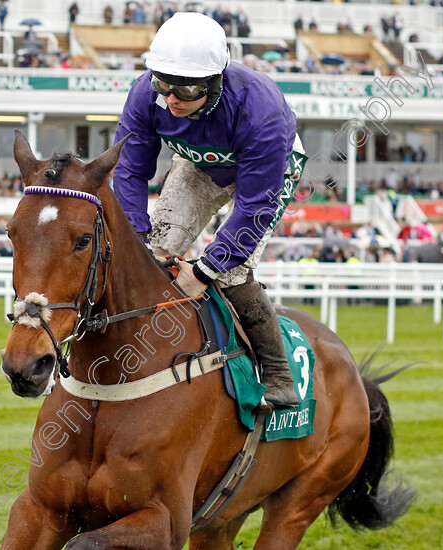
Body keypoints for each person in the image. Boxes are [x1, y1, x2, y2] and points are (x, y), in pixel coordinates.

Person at [113, 13, 305, 410]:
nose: (170, 99)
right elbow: (130, 170)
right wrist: (135, 236)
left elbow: (254, 206)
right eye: (161, 85)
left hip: (265, 172)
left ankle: (278, 373)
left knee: (230, 271)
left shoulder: (261, 109)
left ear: (215, 82)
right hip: (200, 165)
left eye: (183, 90)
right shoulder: (145, 95)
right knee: (154, 251)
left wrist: (204, 270)